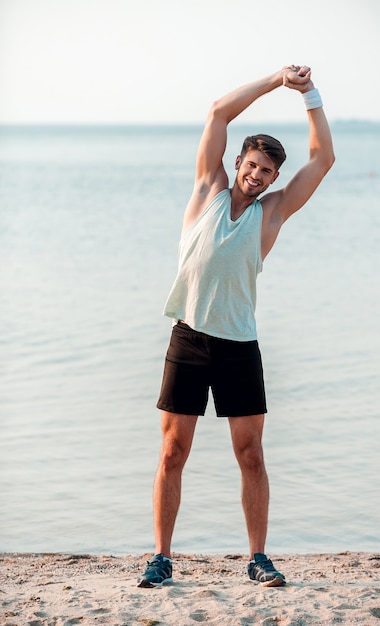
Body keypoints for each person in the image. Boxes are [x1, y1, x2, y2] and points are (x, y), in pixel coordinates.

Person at [138, 65, 335, 588]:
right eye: (251, 165)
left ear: (273, 179)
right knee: (172, 451)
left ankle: (258, 558)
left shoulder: (271, 215)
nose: (257, 176)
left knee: (251, 454)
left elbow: (323, 159)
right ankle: (161, 558)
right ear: (238, 163)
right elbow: (219, 112)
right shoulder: (208, 190)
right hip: (189, 338)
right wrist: (277, 81)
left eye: (267, 172)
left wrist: (310, 95)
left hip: (239, 346)